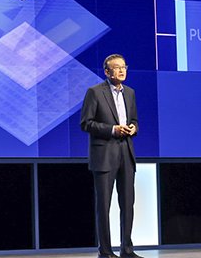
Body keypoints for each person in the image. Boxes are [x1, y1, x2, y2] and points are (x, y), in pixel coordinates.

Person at [79, 53, 142, 258]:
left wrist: (133, 128)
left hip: (126, 152)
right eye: (117, 67)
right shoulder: (95, 92)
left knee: (127, 203)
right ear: (107, 72)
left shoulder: (130, 93)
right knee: (104, 205)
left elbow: (134, 120)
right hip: (104, 154)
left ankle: (127, 249)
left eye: (124, 67)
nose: (122, 70)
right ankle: (105, 251)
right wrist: (113, 129)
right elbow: (86, 123)